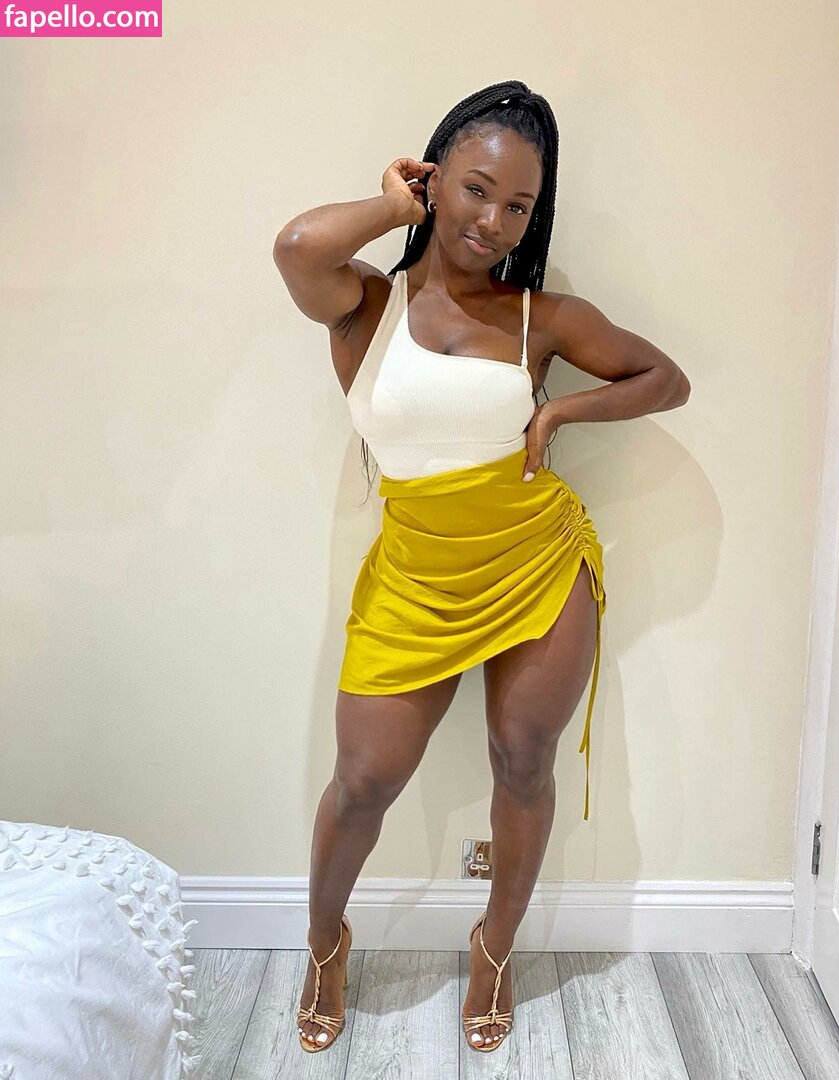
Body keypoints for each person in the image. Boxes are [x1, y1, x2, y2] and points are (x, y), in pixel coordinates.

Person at [273, 79, 690, 1055]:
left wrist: (560, 409)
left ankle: (494, 948)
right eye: (474, 190)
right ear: (433, 180)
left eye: (517, 206)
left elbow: (662, 379)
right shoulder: (364, 303)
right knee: (363, 781)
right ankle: (325, 942)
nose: (493, 222)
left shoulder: (540, 316)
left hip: (536, 563)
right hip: (414, 576)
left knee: (522, 759)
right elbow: (296, 247)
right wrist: (390, 209)